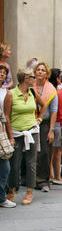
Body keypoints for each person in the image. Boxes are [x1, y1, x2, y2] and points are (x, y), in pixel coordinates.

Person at [6, 68, 46, 205]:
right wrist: (10, 135)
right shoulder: (11, 94)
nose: (35, 79)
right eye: (32, 77)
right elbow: (6, 115)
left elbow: (44, 105)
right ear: (25, 78)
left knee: (31, 163)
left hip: (32, 131)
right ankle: (11, 189)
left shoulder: (32, 92)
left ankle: (30, 191)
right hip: (16, 132)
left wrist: (39, 119)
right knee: (15, 163)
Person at [34, 62, 58, 193]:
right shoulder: (30, 87)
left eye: (43, 70)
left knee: (44, 152)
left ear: (47, 74)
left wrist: (51, 130)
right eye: (38, 70)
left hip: (45, 122)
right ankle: (28, 179)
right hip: (30, 121)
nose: (40, 72)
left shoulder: (51, 89)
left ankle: (43, 180)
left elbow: (54, 110)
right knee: (30, 151)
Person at [48, 68, 62, 186]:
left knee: (52, 151)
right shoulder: (58, 90)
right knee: (57, 151)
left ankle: (51, 174)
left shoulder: (49, 89)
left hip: (53, 122)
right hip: (58, 122)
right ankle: (57, 176)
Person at [0, 65, 15, 208]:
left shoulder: (7, 93)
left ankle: (1, 196)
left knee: (5, 167)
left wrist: (9, 136)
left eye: (4, 73)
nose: (1, 75)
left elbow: (6, 116)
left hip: (1, 132)